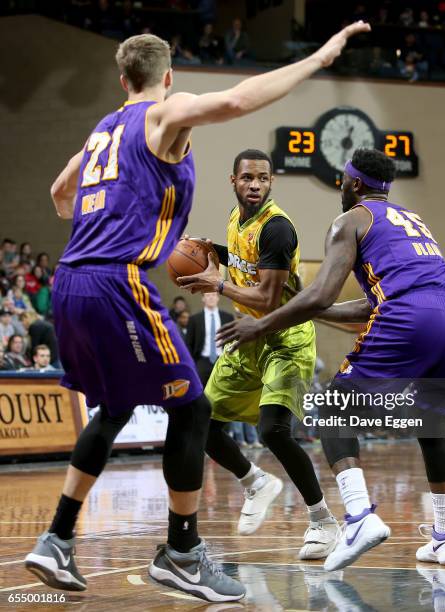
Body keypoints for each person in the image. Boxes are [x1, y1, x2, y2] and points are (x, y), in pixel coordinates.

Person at [23, 22, 371, 601]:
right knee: (193, 408)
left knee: (112, 407)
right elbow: (235, 99)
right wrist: (319, 59)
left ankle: (56, 540)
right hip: (117, 279)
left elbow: (62, 198)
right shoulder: (164, 112)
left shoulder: (102, 131)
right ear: (167, 77)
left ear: (120, 78)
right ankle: (182, 553)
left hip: (69, 280)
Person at [216, 148, 445, 570]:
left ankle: (358, 518)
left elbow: (324, 294)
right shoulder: (410, 218)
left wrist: (260, 325)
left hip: (414, 315)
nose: (340, 184)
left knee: (335, 409)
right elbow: (366, 306)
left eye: (342, 178)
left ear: (354, 183)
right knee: (431, 426)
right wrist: (310, 308)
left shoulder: (350, 220)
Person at [178, 149, 341, 560]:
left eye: (263, 179)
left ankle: (323, 520)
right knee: (203, 421)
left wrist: (218, 284)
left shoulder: (277, 228)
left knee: (272, 430)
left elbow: (268, 297)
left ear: (271, 183)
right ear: (232, 181)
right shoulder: (237, 221)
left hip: (287, 337)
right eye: (248, 178)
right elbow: (243, 261)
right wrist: (209, 250)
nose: (255, 185)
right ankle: (255, 481)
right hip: (249, 336)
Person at [185, 292, 233, 384]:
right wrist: (191, 363)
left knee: (223, 389)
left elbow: (232, 340)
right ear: (203, 299)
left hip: (222, 359)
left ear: (218, 298)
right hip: (202, 360)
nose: (211, 298)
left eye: (214, 295)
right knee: (200, 389)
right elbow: (188, 343)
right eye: (208, 295)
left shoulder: (228, 317)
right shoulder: (194, 319)